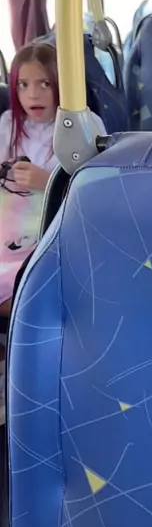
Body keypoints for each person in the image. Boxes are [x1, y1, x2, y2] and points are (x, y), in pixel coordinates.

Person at [0, 41, 106, 320]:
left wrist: (48, 183)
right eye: (23, 85)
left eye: (44, 84)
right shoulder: (9, 124)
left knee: (26, 288)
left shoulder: (86, 126)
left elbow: (97, 193)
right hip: (9, 230)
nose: (33, 94)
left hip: (56, 231)